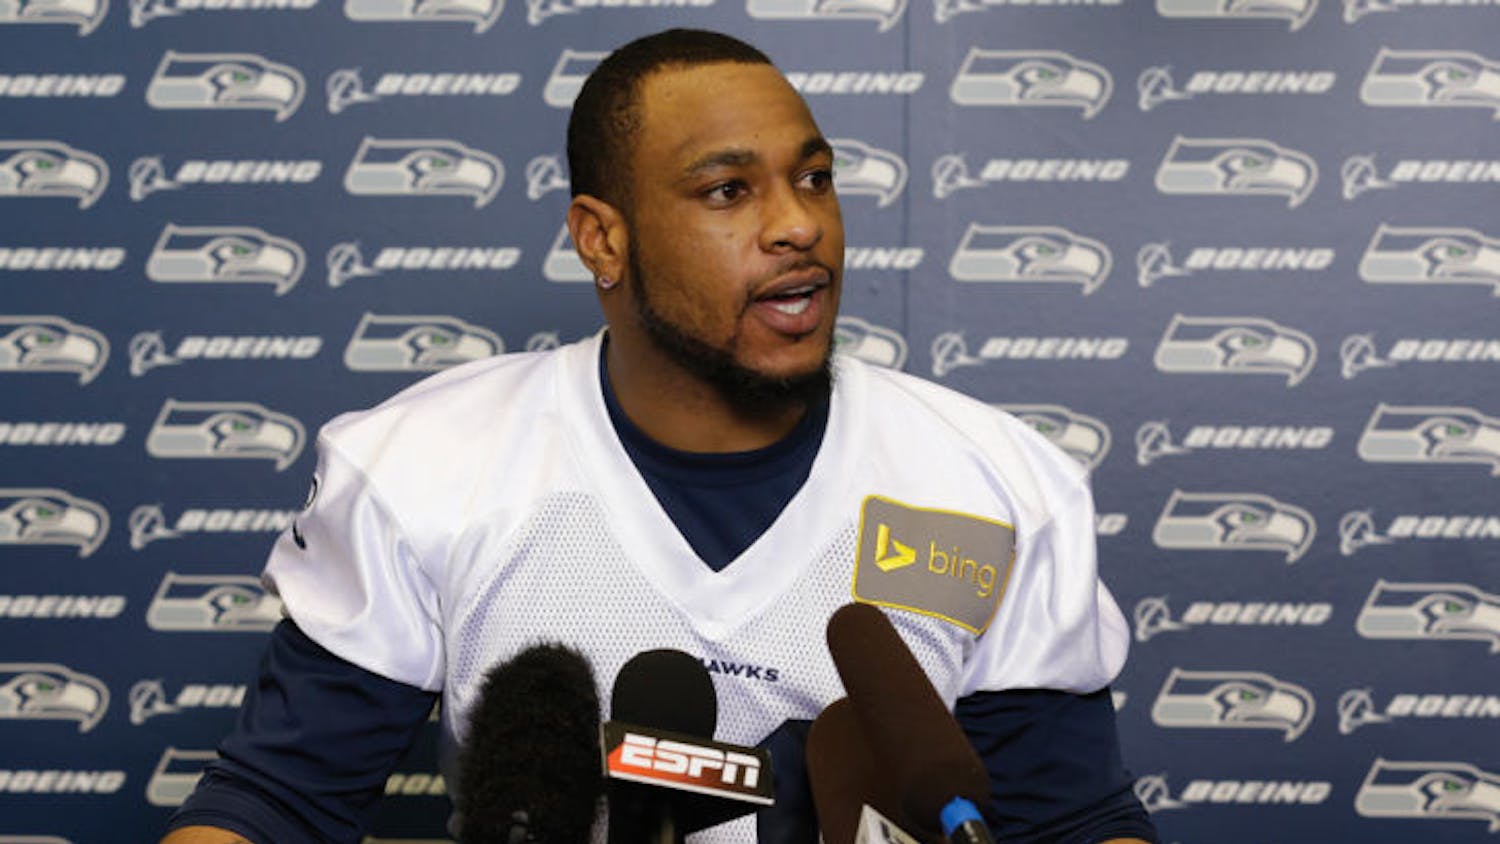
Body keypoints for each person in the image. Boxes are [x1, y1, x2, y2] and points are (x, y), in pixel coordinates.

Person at [161, 29, 1158, 844]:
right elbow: (279, 805)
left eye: (812, 179)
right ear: (603, 238)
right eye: (729, 191)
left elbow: (1069, 819)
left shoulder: (993, 485)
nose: (797, 226)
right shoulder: (426, 467)